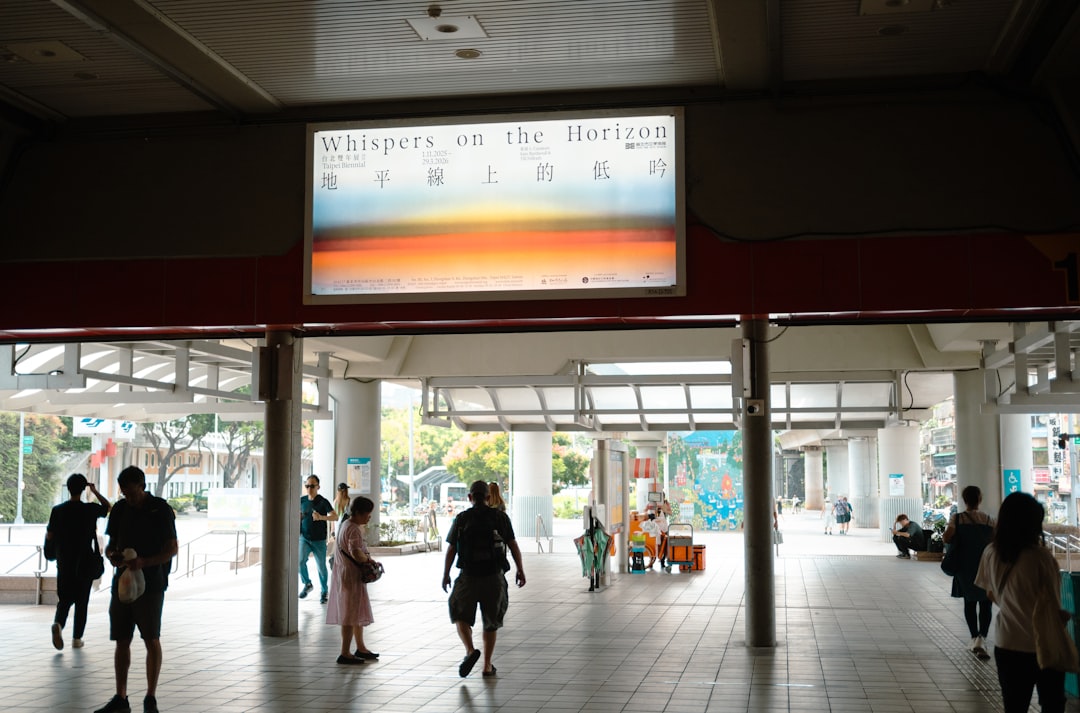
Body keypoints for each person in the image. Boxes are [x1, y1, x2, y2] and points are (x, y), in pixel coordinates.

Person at [94, 466, 178, 713]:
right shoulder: (120, 509)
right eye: (124, 493)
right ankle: (121, 697)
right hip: (123, 583)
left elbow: (172, 548)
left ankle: (150, 697)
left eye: (131, 492)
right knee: (122, 639)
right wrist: (112, 555)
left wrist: (145, 562)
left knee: (151, 638)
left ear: (142, 486)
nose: (127, 498)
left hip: (151, 585)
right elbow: (110, 544)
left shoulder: (160, 509)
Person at [975, 492, 1066, 713]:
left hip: (1008, 644)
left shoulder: (991, 552)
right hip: (1044, 644)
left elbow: (989, 593)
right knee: (1052, 704)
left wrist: (1013, 603)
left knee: (1014, 706)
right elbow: (1052, 603)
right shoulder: (1041, 557)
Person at [442, 480, 526, 678]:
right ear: (488, 498)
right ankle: (487, 666)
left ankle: (470, 651)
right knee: (491, 621)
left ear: (470, 497)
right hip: (494, 576)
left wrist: (445, 574)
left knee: (459, 614)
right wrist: (520, 569)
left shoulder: (462, 518)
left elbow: (452, 548)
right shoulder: (500, 517)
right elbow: (513, 545)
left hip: (468, 576)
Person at [46, 473, 111, 650]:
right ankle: (77, 638)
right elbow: (107, 507)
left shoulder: (58, 510)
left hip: (64, 560)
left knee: (65, 599)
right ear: (83, 489)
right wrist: (95, 491)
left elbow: (50, 534)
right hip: (85, 560)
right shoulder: (89, 509)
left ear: (68, 488)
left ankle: (58, 624)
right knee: (82, 601)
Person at [944, 485, 995, 660]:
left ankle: (974, 637)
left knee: (970, 602)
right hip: (985, 566)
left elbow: (946, 537)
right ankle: (982, 638)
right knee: (986, 603)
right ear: (980, 499)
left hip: (965, 567)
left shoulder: (957, 519)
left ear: (964, 500)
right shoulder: (988, 520)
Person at [326, 496, 378, 665]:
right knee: (349, 614)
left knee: (354, 612)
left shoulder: (345, 524)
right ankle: (345, 652)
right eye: (367, 514)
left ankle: (361, 647)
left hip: (344, 573)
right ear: (358, 513)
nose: (369, 517)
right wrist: (369, 561)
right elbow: (356, 552)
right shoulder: (354, 529)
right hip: (350, 575)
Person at [299, 475, 334, 604]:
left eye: (312, 486)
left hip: (319, 540)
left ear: (318, 487)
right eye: (307, 486)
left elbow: (334, 516)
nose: (309, 488)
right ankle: (307, 583)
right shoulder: (301, 501)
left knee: (321, 567)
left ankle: (324, 591)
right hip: (304, 538)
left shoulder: (323, 502)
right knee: (299, 561)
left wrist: (321, 517)